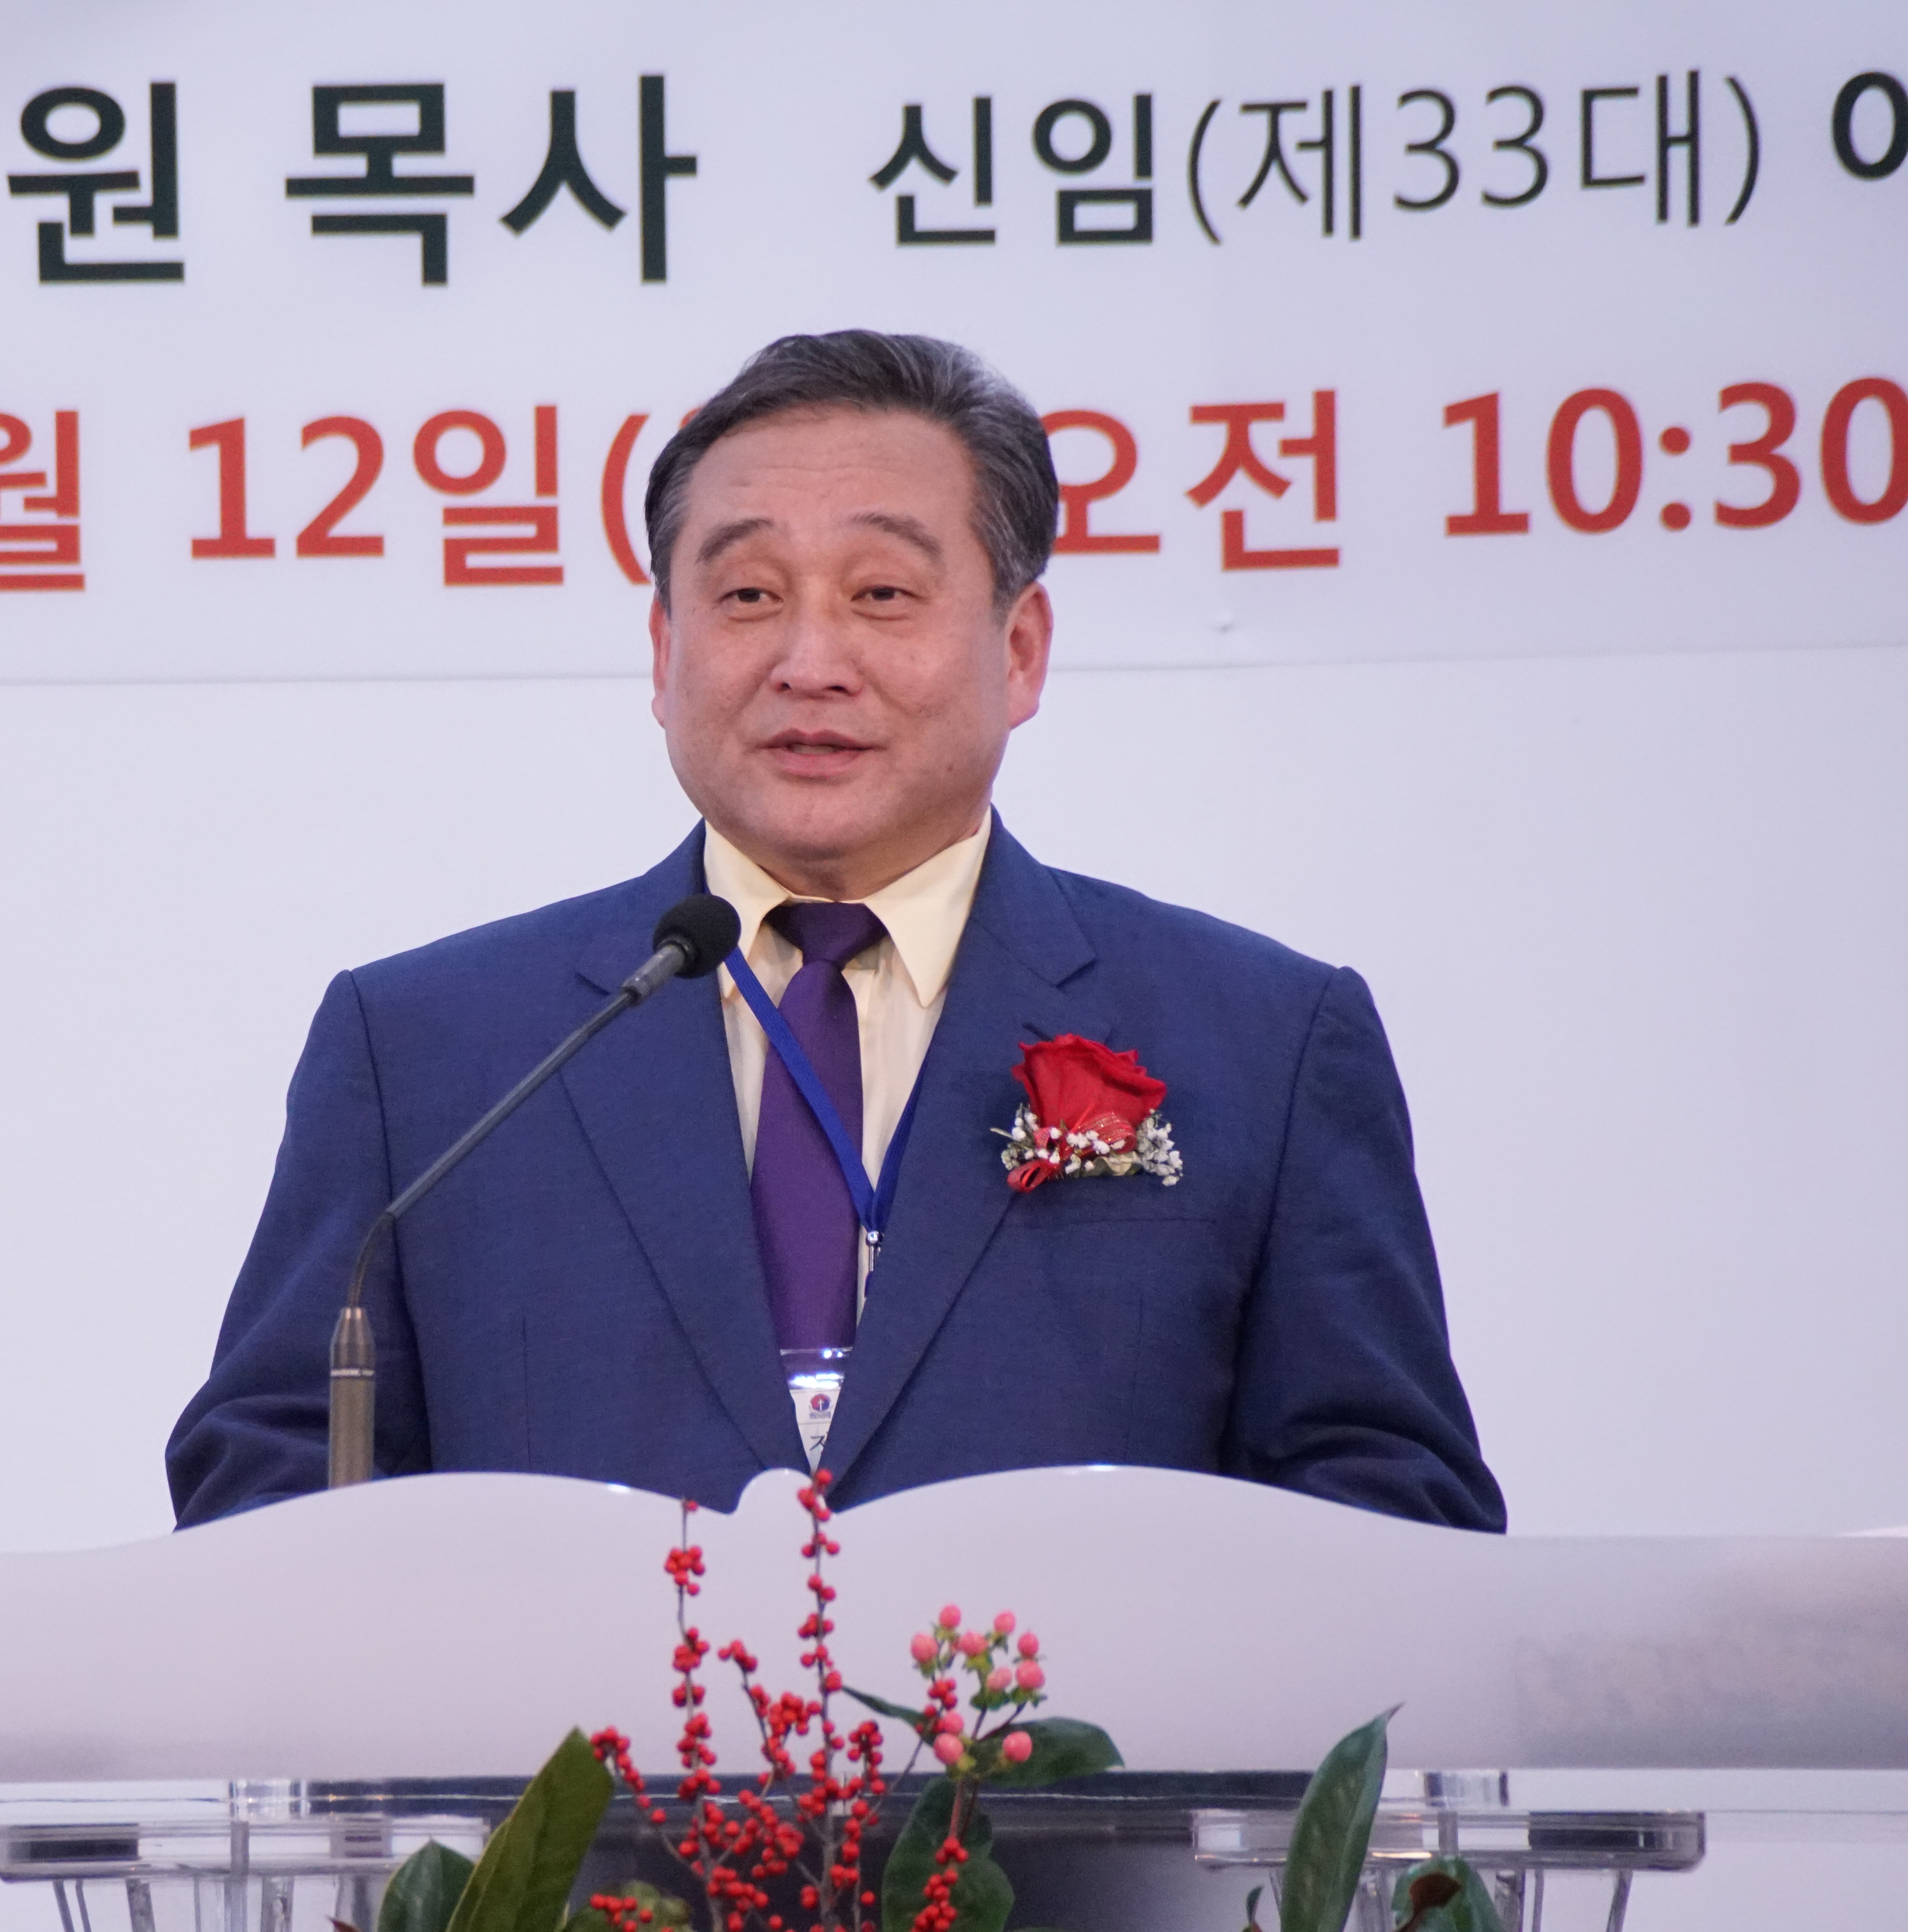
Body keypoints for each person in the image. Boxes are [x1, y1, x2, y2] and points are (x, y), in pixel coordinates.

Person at [166, 330, 1504, 1533]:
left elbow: (1395, 1523)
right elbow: (269, 1495)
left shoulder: (1261, 1047)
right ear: (664, 651)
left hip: (1073, 1748)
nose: (810, 662)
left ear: (1021, 649)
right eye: (749, 596)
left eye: (882, 595)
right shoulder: (432, 1056)